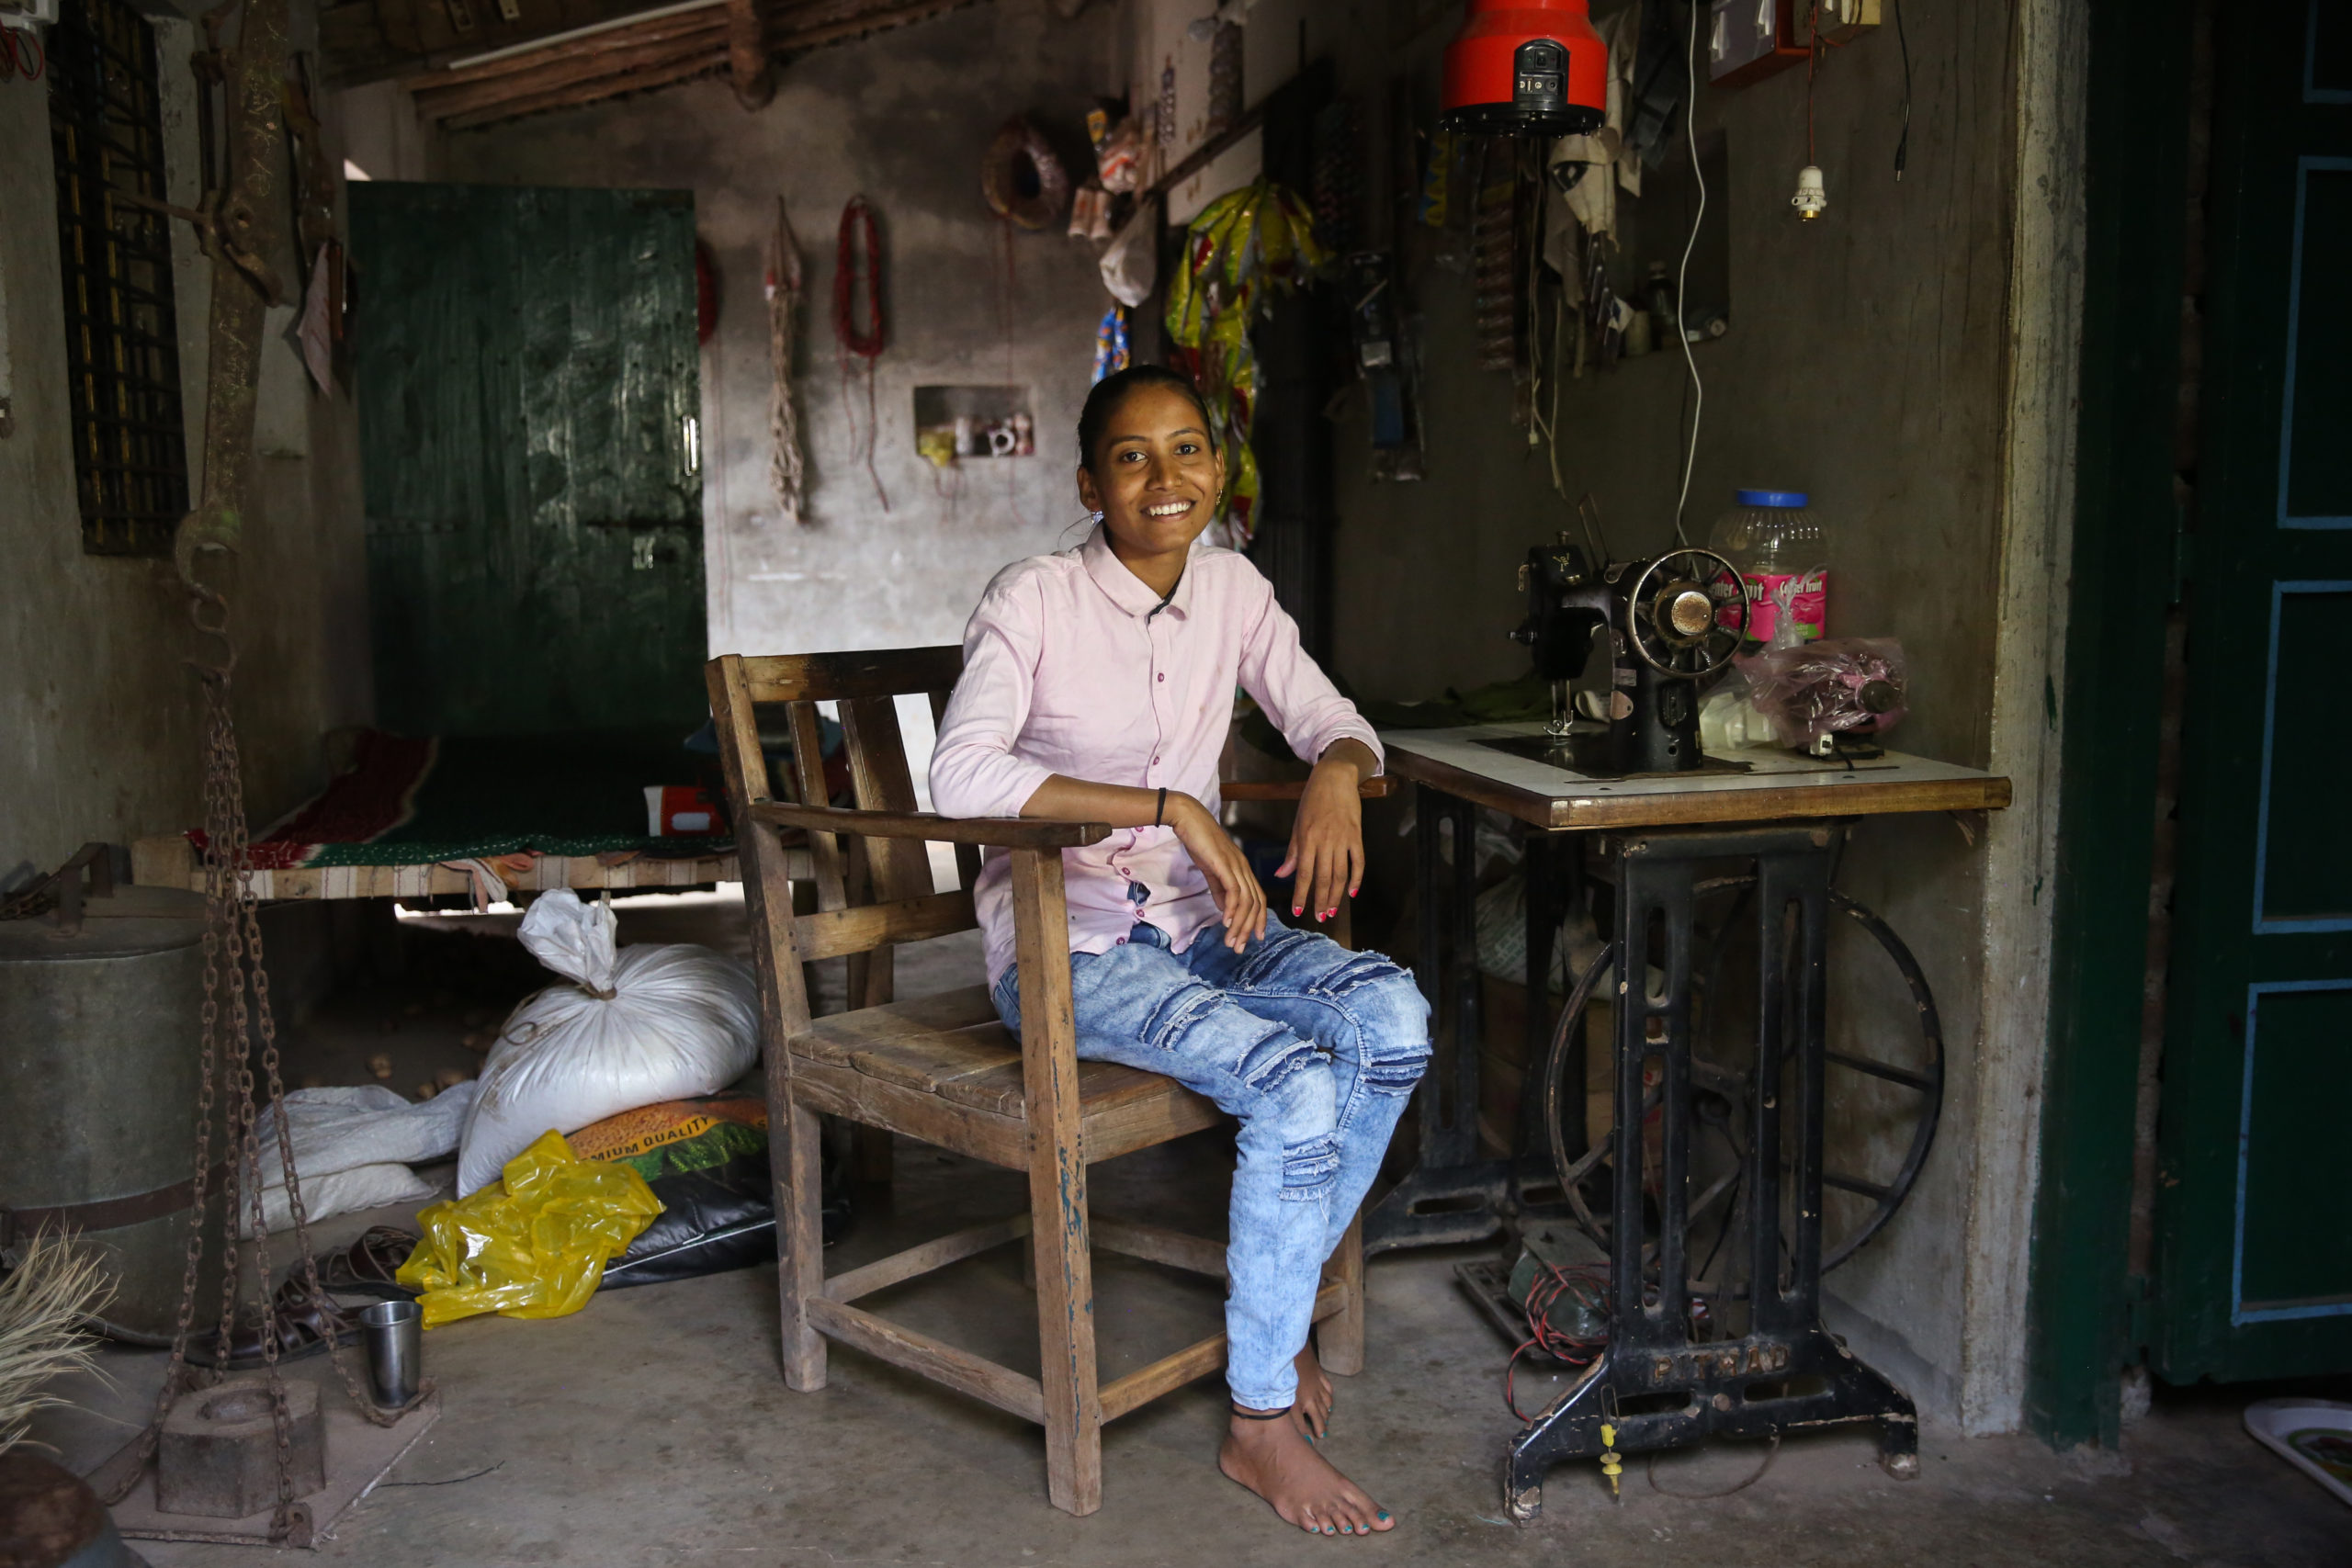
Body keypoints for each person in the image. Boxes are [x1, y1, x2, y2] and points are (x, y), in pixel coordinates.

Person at [930, 365, 1431, 1537]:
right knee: (1300, 1081)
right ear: (1089, 482)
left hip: (1208, 929)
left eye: (1189, 448)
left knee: (1391, 1023)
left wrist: (1340, 774)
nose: (1167, 479)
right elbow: (963, 773)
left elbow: (1327, 713)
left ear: (1221, 464)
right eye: (1131, 456)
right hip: (1075, 952)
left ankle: (1272, 1318)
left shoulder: (1235, 591)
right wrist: (1167, 806)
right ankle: (1259, 1414)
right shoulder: (1034, 599)